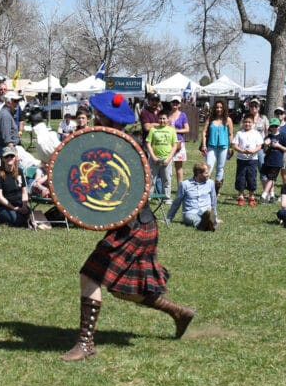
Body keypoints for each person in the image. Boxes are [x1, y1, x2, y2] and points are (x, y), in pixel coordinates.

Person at [62, 91, 194, 362]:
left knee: (90, 275)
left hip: (135, 225)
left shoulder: (129, 148)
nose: (95, 119)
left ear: (105, 118)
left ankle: (85, 344)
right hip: (132, 225)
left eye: (98, 116)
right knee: (122, 288)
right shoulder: (109, 143)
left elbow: (136, 193)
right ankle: (178, 313)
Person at [166, 162, 218, 231]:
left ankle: (210, 223)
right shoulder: (185, 184)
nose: (209, 175)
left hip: (206, 211)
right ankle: (205, 225)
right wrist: (169, 218)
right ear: (198, 173)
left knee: (208, 214)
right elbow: (177, 202)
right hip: (190, 212)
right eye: (206, 173)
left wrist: (215, 216)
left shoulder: (210, 183)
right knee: (195, 219)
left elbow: (213, 201)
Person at [200, 99, 234, 197]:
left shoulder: (228, 120)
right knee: (208, 167)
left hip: (223, 147)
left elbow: (230, 134)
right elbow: (204, 132)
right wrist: (204, 145)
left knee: (220, 168)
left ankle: (216, 189)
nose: (219, 109)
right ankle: (206, 188)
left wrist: (230, 147)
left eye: (221, 107)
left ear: (224, 108)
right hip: (211, 146)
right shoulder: (210, 119)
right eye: (217, 107)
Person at [0, 146, 30, 227]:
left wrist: (24, 205)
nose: (9, 158)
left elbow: (24, 191)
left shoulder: (20, 171)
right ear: (3, 159)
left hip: (20, 204)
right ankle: (3, 218)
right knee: (19, 221)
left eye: (12, 156)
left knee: (31, 215)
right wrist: (13, 208)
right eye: (6, 156)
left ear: (15, 157)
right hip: (4, 206)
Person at [145, 110, 179, 201]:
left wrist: (168, 158)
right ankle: (149, 196)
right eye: (160, 118)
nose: (162, 120)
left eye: (164, 118)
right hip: (154, 158)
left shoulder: (171, 130)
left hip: (167, 158)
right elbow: (148, 143)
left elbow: (175, 145)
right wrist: (153, 157)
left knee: (167, 178)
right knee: (152, 178)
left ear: (168, 119)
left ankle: (166, 197)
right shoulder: (153, 129)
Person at [232, 115, 262, 207]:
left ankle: (251, 197)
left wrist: (253, 151)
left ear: (253, 123)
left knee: (251, 178)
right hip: (241, 159)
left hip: (252, 160)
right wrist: (241, 150)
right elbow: (234, 145)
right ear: (243, 123)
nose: (247, 124)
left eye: (249, 122)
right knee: (240, 178)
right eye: (245, 122)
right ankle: (241, 196)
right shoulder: (239, 133)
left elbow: (259, 145)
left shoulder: (256, 133)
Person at [260, 118, 286, 203]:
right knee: (266, 177)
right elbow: (264, 151)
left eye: (276, 126)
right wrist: (266, 145)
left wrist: (278, 146)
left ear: (279, 127)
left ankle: (264, 195)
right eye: (272, 126)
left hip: (277, 161)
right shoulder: (268, 136)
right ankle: (272, 195)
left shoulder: (283, 136)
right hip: (268, 160)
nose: (274, 128)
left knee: (271, 178)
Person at [168, 95, 190, 185]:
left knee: (178, 166)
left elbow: (187, 129)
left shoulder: (183, 115)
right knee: (167, 166)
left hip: (179, 143)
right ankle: (167, 188)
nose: (175, 104)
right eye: (173, 102)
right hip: (168, 143)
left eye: (177, 102)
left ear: (180, 104)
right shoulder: (167, 115)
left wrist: (176, 130)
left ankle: (180, 187)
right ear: (171, 103)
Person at [273, 106, 286, 185]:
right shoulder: (272, 126)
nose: (279, 115)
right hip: (275, 151)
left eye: (281, 113)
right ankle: (271, 194)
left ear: (284, 115)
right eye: (277, 113)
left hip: (285, 151)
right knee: (273, 173)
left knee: (284, 173)